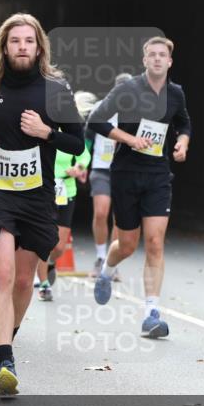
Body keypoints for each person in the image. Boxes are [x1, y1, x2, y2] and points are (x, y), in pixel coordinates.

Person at [0, 13, 85, 394]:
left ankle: (7, 338)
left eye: (28, 41)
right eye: (15, 40)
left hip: (37, 195)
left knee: (23, 280)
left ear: (39, 47)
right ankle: (4, 357)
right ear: (5, 45)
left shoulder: (56, 89)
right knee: (1, 275)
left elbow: (77, 143)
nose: (22, 47)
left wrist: (46, 132)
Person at [87, 37, 191, 338]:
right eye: (152, 55)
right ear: (145, 60)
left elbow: (184, 124)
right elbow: (97, 120)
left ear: (170, 62)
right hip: (126, 173)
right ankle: (107, 269)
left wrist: (182, 142)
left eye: (163, 55)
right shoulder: (127, 89)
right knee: (129, 245)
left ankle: (151, 314)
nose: (158, 59)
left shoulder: (175, 94)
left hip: (158, 175)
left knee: (155, 243)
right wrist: (130, 140)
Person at [37, 94, 92, 301]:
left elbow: (83, 154)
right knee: (44, 240)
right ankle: (43, 284)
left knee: (59, 246)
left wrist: (78, 168)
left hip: (66, 189)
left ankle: (50, 263)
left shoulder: (71, 131)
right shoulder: (43, 129)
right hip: (45, 188)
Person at [86, 73, 131, 278]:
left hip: (123, 171)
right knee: (101, 213)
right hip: (101, 169)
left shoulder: (136, 112)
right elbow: (86, 140)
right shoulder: (101, 109)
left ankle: (112, 263)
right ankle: (100, 256)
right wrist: (82, 164)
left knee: (119, 217)